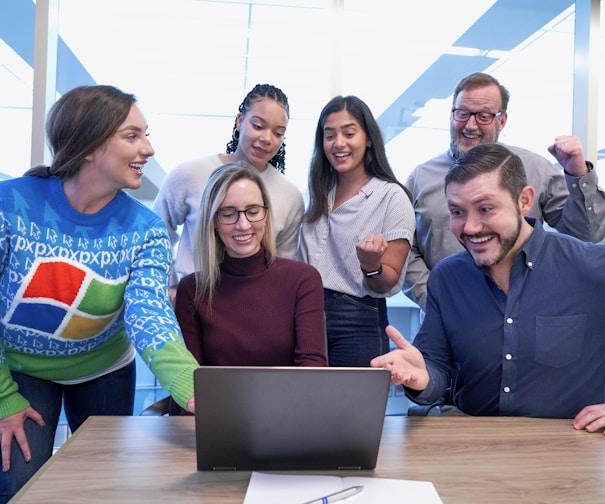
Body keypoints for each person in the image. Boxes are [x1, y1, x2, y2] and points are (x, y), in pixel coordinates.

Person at [0, 85, 199, 502]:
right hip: (21, 368)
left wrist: (191, 385)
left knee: (103, 488)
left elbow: (149, 314)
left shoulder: (146, 229)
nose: (148, 148)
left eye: (146, 134)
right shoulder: (10, 204)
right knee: (18, 485)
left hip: (104, 369)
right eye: (133, 136)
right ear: (89, 145)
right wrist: (3, 398)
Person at [371, 143, 605, 427]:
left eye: (485, 209)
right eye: (457, 212)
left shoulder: (590, 268)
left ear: (524, 200)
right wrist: (422, 378)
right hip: (473, 448)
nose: (469, 228)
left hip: (567, 451)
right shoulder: (447, 278)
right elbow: (436, 371)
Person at [404, 72, 605, 310]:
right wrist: (436, 297)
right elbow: (404, 251)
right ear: (451, 114)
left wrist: (578, 174)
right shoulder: (420, 178)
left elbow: (584, 236)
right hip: (446, 324)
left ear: (502, 121)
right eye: (462, 113)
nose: (470, 125)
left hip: (526, 316)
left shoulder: (535, 170)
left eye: (483, 116)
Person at [174, 163, 326, 401]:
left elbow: (312, 370)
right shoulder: (192, 290)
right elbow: (191, 382)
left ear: (265, 214)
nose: (243, 225)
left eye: (253, 211)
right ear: (213, 221)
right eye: (228, 213)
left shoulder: (303, 280)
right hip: (219, 421)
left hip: (287, 418)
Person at [152, 84, 304, 304]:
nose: (267, 138)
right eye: (258, 125)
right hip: (191, 301)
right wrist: (171, 285)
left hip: (250, 307)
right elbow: (157, 232)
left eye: (278, 133)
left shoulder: (290, 196)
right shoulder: (189, 174)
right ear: (240, 121)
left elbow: (282, 265)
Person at [298, 96, 415, 367]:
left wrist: (371, 266)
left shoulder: (391, 196)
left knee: (352, 408)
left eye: (349, 133)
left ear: (369, 139)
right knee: (302, 405)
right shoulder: (315, 194)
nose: (339, 143)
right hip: (305, 313)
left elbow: (387, 282)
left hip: (357, 319)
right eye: (330, 135)